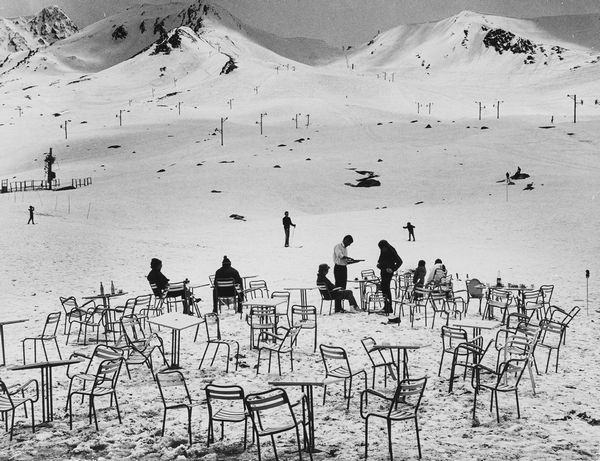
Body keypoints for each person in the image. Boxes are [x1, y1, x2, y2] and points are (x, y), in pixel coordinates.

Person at [377, 240, 403, 313]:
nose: (381, 250)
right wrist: (380, 265)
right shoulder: (384, 250)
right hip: (383, 271)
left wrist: (392, 269)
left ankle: (389, 307)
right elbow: (381, 259)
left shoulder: (391, 250)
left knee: (386, 289)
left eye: (382, 248)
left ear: (385, 246)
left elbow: (399, 261)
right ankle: (386, 306)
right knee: (383, 288)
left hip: (388, 273)